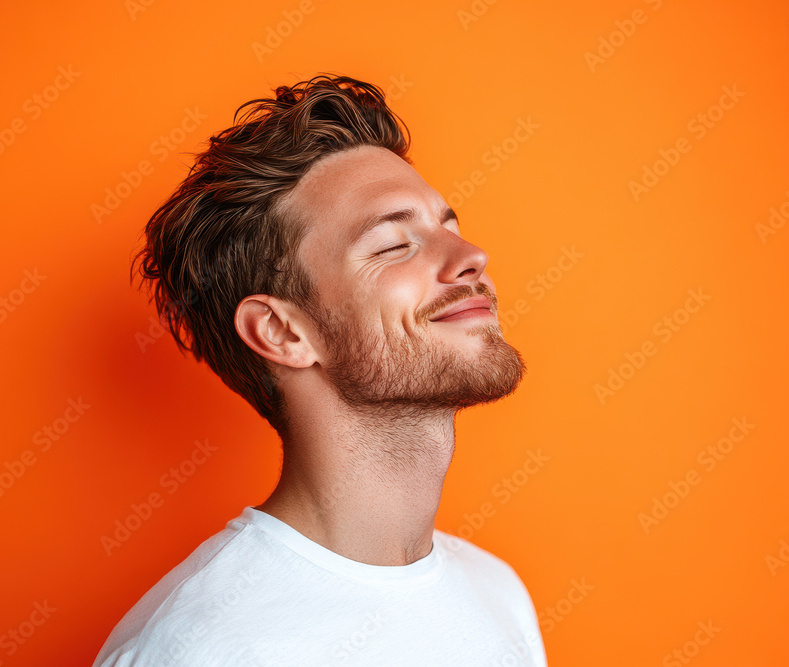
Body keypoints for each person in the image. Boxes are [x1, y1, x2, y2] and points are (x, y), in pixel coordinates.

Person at [93, 73, 547, 666]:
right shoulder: (204, 649)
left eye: (449, 228)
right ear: (284, 332)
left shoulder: (497, 591)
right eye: (393, 245)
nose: (471, 258)